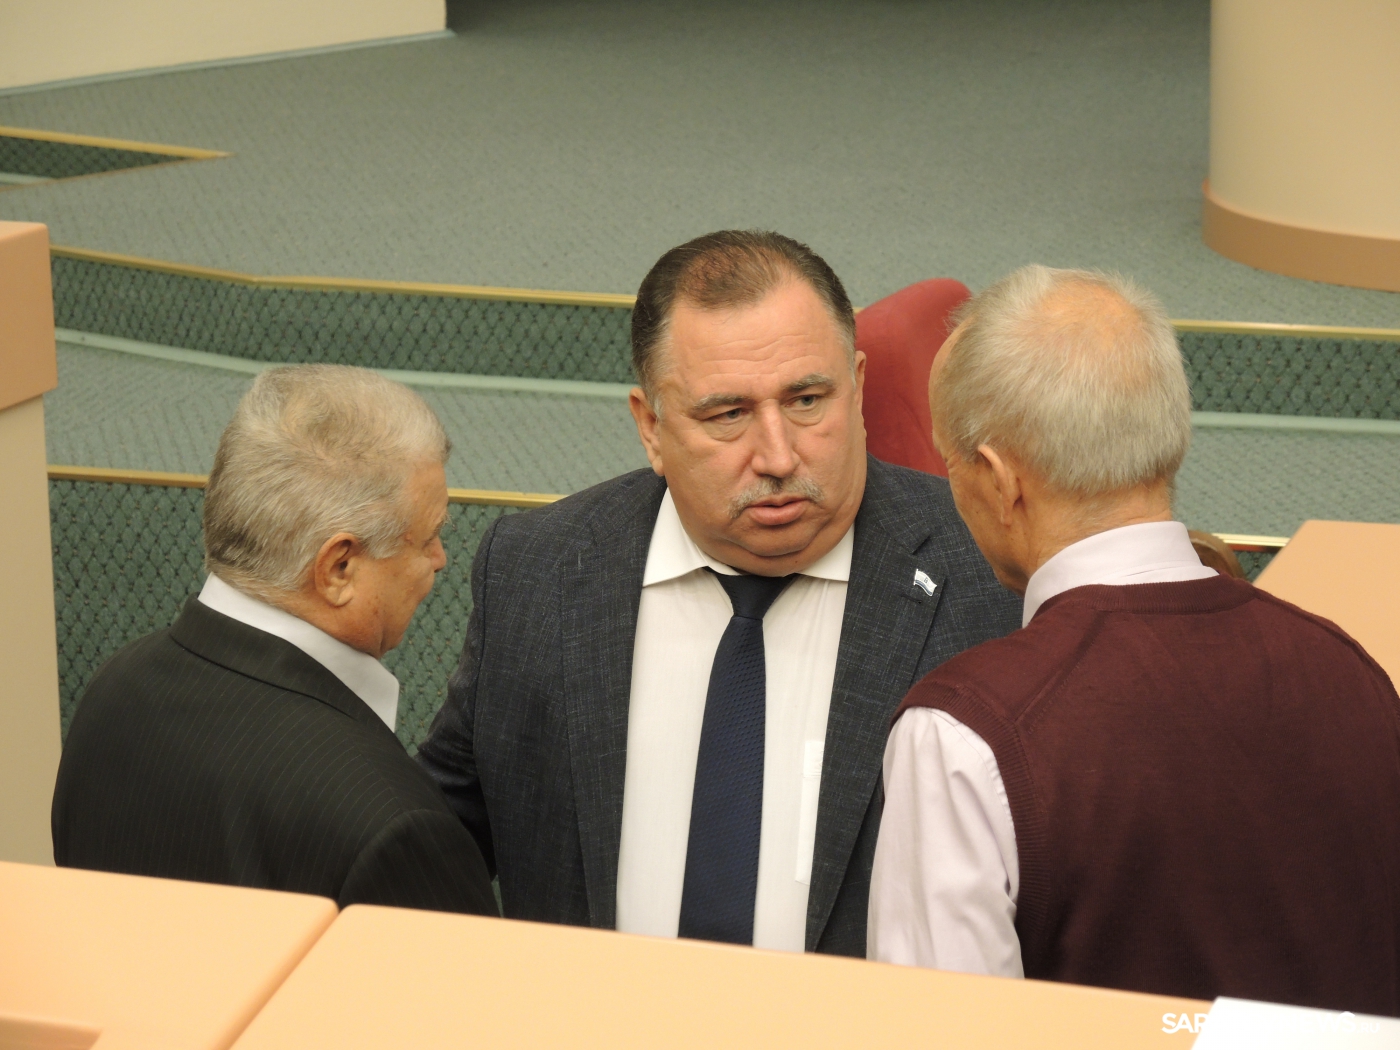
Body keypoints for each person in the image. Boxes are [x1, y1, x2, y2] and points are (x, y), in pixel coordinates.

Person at [416, 230, 1019, 956]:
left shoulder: (989, 576)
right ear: (650, 427)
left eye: (807, 400)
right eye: (728, 414)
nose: (778, 456)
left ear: (857, 387)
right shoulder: (538, 572)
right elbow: (433, 836)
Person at [867, 264, 1400, 1014]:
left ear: (999, 479)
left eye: (950, 463)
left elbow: (940, 1028)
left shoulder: (960, 737)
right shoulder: (1350, 669)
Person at [53, 365, 496, 916]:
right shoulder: (396, 827)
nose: (440, 559)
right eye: (429, 536)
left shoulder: (111, 692)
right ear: (338, 568)